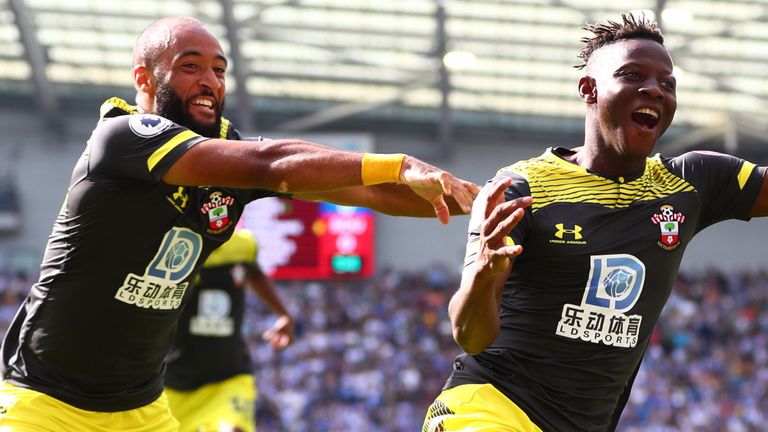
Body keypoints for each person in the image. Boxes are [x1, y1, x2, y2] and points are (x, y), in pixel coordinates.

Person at [0, 16, 479, 431]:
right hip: (44, 403)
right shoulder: (122, 139)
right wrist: (399, 163)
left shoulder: (228, 164)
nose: (210, 80)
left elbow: (372, 193)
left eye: (219, 69)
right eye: (190, 66)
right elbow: (275, 163)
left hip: (141, 410)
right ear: (144, 78)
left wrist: (481, 200)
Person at [422, 12, 768, 432]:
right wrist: (483, 272)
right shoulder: (519, 188)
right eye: (632, 74)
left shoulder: (691, 182)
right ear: (589, 90)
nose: (654, 90)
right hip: (489, 409)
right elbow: (471, 337)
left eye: (668, 84)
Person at [164, 228, 293, 432]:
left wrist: (283, 314)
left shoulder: (243, 245)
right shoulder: (173, 245)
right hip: (175, 384)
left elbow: (255, 274)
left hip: (229, 377)